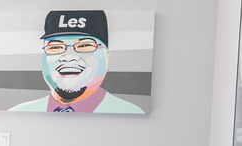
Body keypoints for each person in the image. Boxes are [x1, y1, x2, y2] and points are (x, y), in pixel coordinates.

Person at [9, 10, 145, 113]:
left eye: (84, 46)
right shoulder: (18, 113)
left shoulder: (129, 112)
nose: (68, 56)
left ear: (107, 57)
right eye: (56, 47)